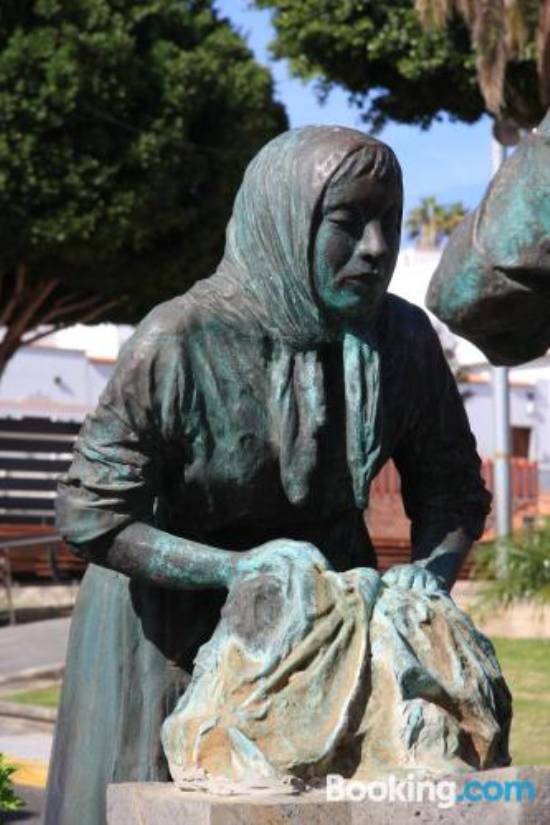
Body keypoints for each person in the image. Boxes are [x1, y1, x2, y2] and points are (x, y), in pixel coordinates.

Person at [44, 126, 491, 825]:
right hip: (166, 629)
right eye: (348, 223)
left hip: (329, 630)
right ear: (285, 223)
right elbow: (90, 516)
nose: (377, 247)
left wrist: (427, 576)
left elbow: (452, 489)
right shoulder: (178, 340)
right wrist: (236, 570)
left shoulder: (403, 340)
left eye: (389, 222)